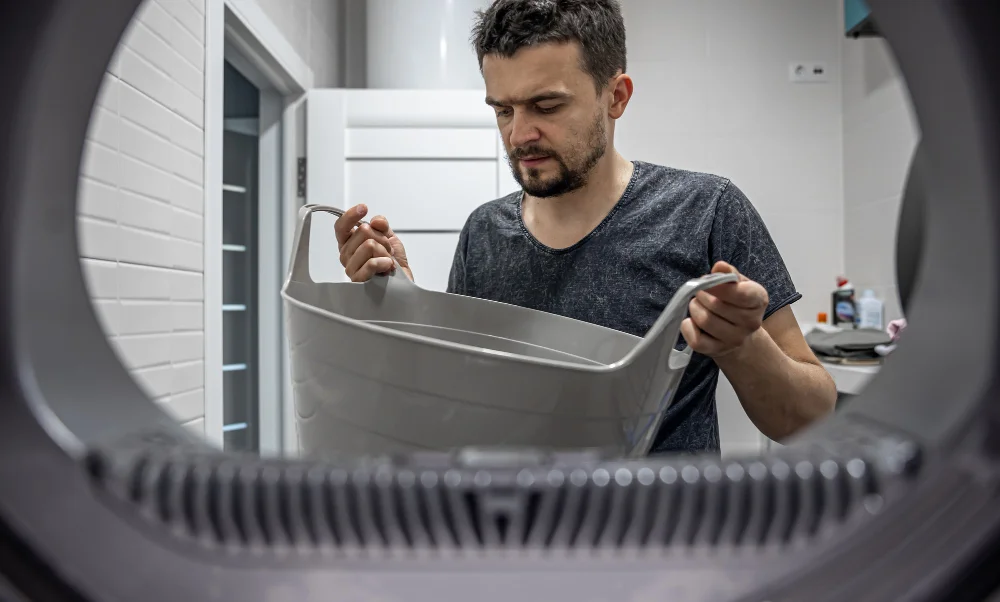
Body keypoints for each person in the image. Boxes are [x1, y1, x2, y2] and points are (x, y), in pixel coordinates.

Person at [333, 0, 838, 455]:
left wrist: (740, 345)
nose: (519, 134)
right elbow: (457, 402)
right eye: (503, 110)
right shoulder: (483, 234)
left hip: (665, 541)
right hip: (519, 538)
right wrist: (404, 305)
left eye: (546, 106)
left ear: (615, 96)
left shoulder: (706, 211)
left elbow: (809, 419)